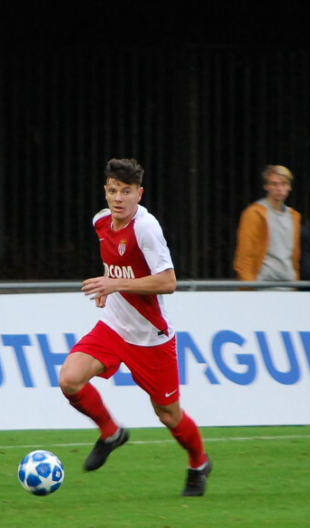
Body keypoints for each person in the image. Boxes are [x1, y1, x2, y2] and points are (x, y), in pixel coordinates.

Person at [58, 159, 211, 497]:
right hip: (114, 327)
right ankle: (110, 432)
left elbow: (168, 282)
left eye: (126, 192)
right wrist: (107, 286)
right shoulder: (100, 221)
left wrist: (114, 284)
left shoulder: (146, 229)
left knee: (168, 415)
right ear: (105, 191)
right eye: (113, 190)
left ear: (139, 194)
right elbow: (117, 266)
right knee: (69, 379)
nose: (118, 198)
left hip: (151, 337)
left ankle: (199, 463)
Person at [233, 165, 301, 284]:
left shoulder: (294, 216)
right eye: (274, 184)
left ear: (289, 187)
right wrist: (249, 286)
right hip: (262, 285)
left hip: (288, 283)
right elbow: (244, 255)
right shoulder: (254, 213)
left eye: (284, 184)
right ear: (266, 186)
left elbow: (294, 255)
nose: (279, 189)